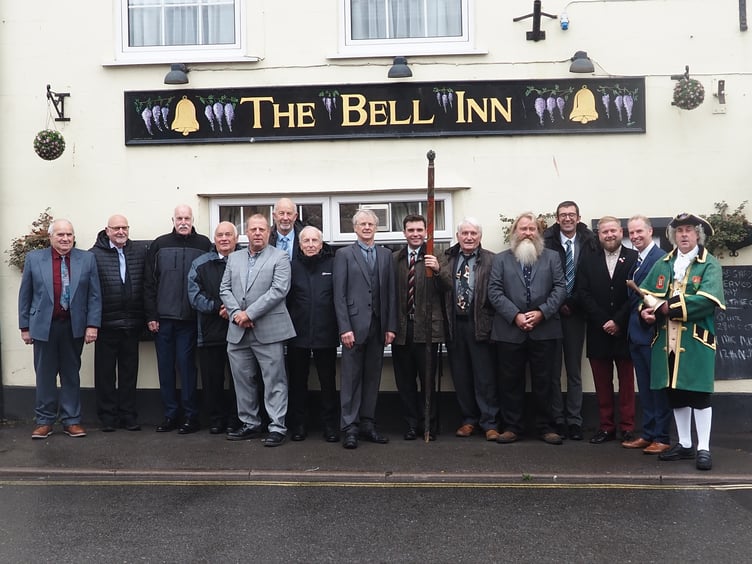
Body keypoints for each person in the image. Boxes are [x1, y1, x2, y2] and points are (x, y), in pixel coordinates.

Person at [640, 213, 725, 471]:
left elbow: (708, 301)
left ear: (698, 234)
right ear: (673, 236)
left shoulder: (709, 264)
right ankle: (686, 443)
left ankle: (703, 448)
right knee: (675, 394)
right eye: (679, 231)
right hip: (666, 340)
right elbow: (646, 294)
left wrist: (669, 308)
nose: (684, 235)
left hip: (696, 341)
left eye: (689, 230)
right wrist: (645, 313)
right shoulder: (664, 263)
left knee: (698, 394)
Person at [19, 219, 102, 440]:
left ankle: (71, 420)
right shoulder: (34, 259)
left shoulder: (87, 259)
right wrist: (25, 327)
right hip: (44, 326)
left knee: (71, 375)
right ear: (51, 237)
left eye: (69, 235)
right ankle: (44, 421)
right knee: (45, 376)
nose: (65, 239)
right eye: (60, 235)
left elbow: (94, 295)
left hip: (73, 326)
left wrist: (92, 324)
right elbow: (25, 295)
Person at [488, 212, 566, 445]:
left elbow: (561, 288)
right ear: (514, 232)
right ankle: (512, 427)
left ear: (538, 233)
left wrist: (542, 312)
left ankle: (546, 427)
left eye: (532, 229)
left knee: (545, 381)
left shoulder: (552, 257)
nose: (528, 233)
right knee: (510, 381)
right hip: (510, 331)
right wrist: (516, 316)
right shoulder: (501, 259)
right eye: (523, 229)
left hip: (545, 329)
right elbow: (494, 291)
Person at [220, 214, 295, 447]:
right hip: (238, 331)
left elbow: (278, 290)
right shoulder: (234, 258)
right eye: (253, 229)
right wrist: (236, 315)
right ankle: (250, 423)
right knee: (243, 380)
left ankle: (277, 426)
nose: (258, 233)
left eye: (262, 229)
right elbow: (224, 289)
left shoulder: (280, 257)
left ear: (269, 232)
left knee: (274, 381)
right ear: (247, 233)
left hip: (268, 330)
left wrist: (249, 314)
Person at [144, 205, 212, 434]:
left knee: (187, 368)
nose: (183, 222)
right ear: (172, 219)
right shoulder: (160, 244)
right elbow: (149, 283)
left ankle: (191, 417)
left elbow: (209, 280)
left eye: (187, 218)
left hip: (190, 320)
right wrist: (151, 315)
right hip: (163, 319)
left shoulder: (204, 245)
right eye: (179, 218)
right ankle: (170, 415)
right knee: (165, 369)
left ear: (193, 219)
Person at [333, 209, 397, 449]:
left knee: (373, 377)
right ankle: (349, 427)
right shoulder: (344, 255)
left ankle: (368, 423)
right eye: (362, 224)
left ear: (376, 228)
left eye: (371, 224)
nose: (367, 227)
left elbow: (390, 293)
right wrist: (344, 328)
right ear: (355, 228)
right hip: (353, 327)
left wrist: (390, 326)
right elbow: (339, 295)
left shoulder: (385, 255)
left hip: (378, 327)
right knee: (350, 378)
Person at [577, 216, 638, 444]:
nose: (609, 235)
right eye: (604, 232)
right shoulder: (588, 260)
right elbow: (583, 293)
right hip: (598, 330)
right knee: (602, 384)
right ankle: (606, 427)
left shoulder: (633, 258)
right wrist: (604, 320)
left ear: (621, 232)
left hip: (624, 331)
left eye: (613, 231)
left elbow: (636, 293)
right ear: (598, 235)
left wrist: (618, 321)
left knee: (627, 384)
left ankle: (628, 427)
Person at [438, 218, 500, 441]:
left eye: (473, 233)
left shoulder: (491, 259)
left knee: (485, 377)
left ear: (480, 236)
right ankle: (468, 420)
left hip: (481, 323)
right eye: (465, 233)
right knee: (461, 375)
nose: (469, 237)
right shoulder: (446, 258)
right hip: (455, 324)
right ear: (458, 236)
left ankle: (489, 422)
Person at [543, 200, 599, 441]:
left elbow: (590, 276)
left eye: (571, 215)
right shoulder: (546, 240)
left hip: (577, 312)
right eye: (562, 215)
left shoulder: (588, 240)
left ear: (578, 217)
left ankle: (575, 420)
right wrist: (557, 303)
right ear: (557, 218)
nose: (567, 219)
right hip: (552, 314)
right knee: (553, 370)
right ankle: (558, 419)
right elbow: (542, 277)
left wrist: (573, 302)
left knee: (574, 370)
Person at [89, 214, 147, 432]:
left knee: (129, 373)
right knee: (105, 374)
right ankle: (107, 417)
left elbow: (146, 284)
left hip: (132, 324)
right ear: (107, 230)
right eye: (116, 228)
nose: (121, 232)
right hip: (106, 324)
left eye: (124, 227)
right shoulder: (93, 255)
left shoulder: (138, 252)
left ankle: (128, 416)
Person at [392, 214, 445, 441]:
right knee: (405, 381)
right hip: (402, 329)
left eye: (419, 230)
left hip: (427, 330)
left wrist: (439, 270)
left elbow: (449, 289)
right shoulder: (395, 259)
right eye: (410, 230)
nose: (415, 234)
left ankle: (428, 426)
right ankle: (411, 424)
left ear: (426, 232)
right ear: (404, 233)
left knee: (427, 381)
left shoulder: (436, 256)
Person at [621, 215, 671, 454]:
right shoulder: (637, 259)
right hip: (636, 335)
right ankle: (649, 433)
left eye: (639, 231)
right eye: (631, 233)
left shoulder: (660, 259)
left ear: (651, 231)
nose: (635, 236)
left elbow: (663, 296)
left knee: (658, 388)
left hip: (653, 334)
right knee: (646, 388)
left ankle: (662, 436)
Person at [286, 226, 340, 442]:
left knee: (328, 382)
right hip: (297, 334)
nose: (310, 245)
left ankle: (330, 426)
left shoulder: (333, 264)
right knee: (298, 382)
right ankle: (299, 425)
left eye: (314, 241)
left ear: (321, 243)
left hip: (325, 332)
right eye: (305, 241)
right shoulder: (291, 266)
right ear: (299, 245)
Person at [187, 221, 241, 435]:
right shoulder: (200, 263)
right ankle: (217, 420)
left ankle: (236, 419)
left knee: (240, 381)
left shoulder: (245, 261)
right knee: (213, 381)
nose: (224, 238)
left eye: (229, 234)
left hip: (240, 331)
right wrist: (217, 306)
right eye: (220, 235)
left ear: (236, 239)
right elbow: (194, 295)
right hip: (209, 332)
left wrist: (234, 310)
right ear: (214, 239)